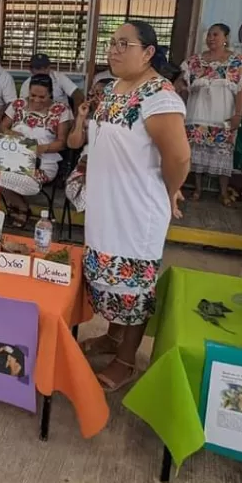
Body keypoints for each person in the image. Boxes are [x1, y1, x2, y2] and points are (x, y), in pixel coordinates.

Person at [71, 22, 190, 393]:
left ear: (149, 52)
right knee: (107, 277)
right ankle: (112, 336)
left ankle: (126, 360)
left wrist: (171, 191)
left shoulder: (160, 96)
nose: (114, 50)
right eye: (112, 43)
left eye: (125, 44)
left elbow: (179, 156)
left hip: (138, 209)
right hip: (107, 204)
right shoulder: (116, 88)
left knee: (133, 286)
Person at [178, 24, 242, 206]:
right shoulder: (194, 62)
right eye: (209, 35)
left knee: (223, 151)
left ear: (225, 37)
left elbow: (241, 91)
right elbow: (182, 86)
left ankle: (223, 191)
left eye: (215, 34)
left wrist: (238, 115)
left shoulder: (238, 62)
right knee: (196, 151)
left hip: (223, 114)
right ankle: (197, 188)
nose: (211, 38)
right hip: (198, 112)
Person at [0, 74, 72, 227]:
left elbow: (62, 143)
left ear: (50, 93)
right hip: (14, 157)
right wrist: (11, 133)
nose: (36, 100)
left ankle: (18, 207)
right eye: (32, 95)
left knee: (24, 181)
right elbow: (2, 127)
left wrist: (41, 148)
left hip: (43, 162)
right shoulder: (18, 105)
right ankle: (22, 206)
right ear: (28, 91)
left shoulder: (61, 110)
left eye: (42, 96)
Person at [65, 78, 113, 213]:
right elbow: (73, 144)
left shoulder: (124, 119)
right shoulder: (89, 117)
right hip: (88, 166)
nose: (94, 98)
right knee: (85, 191)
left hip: (113, 169)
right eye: (92, 93)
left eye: (100, 94)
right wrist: (80, 118)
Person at [18, 53, 84, 112]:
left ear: (49, 68)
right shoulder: (26, 85)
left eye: (44, 68)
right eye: (38, 68)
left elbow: (78, 96)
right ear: (31, 70)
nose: (41, 71)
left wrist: (76, 119)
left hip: (62, 116)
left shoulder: (59, 77)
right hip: (37, 118)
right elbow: (23, 106)